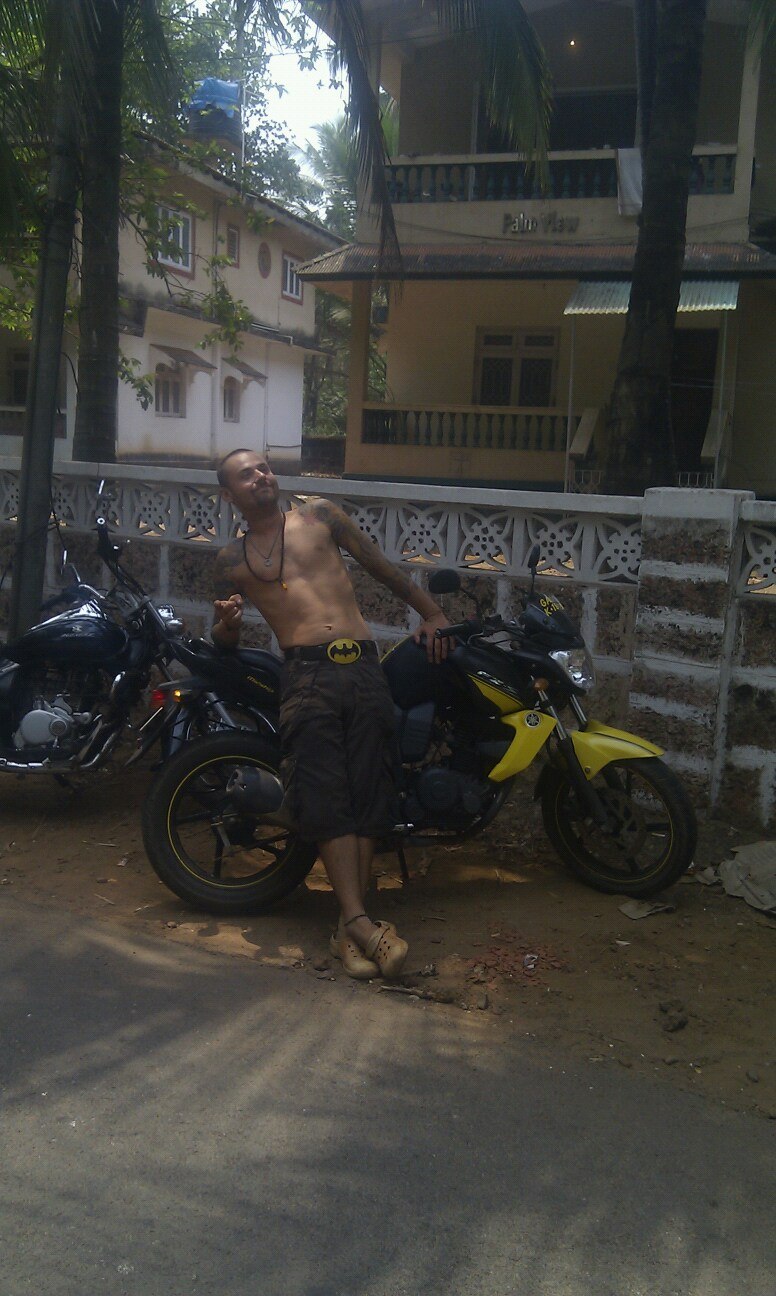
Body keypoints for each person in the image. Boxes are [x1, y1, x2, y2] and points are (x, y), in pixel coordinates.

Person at [211, 448, 450, 981]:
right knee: (324, 791)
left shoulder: (320, 515)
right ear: (229, 495)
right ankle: (363, 925)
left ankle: (349, 927)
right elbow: (223, 638)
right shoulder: (230, 561)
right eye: (246, 475)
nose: (260, 476)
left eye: (263, 467)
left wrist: (432, 612)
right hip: (306, 676)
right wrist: (228, 625)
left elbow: (381, 567)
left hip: (362, 665)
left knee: (368, 787)